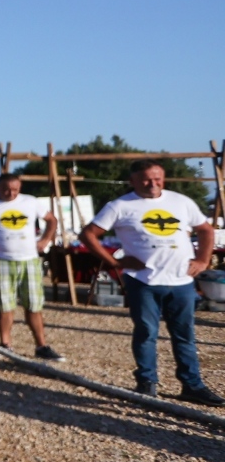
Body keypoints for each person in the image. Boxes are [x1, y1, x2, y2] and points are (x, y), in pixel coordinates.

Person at [80, 159, 221, 404]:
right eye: (146, 179)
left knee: (185, 335)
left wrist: (203, 260)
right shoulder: (120, 206)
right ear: (133, 180)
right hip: (143, 280)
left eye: (157, 178)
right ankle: (146, 383)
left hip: (181, 281)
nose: (153, 184)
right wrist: (114, 262)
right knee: (146, 333)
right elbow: (89, 234)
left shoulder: (181, 202)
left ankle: (192, 385)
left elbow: (205, 229)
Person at [0, 172, 63, 360]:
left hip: (29, 260)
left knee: (34, 305)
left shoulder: (30, 202)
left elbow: (51, 220)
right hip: (0, 260)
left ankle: (41, 346)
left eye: (15, 190)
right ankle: (5, 344)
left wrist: (45, 240)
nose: (11, 194)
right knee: (5, 305)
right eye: (6, 189)